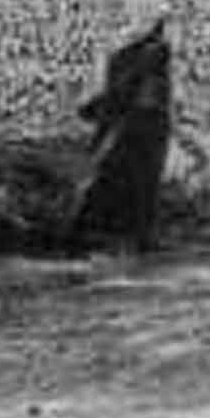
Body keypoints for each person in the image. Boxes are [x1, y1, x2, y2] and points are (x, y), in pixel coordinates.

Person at [72, 17, 174, 252]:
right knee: (134, 184)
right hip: (144, 123)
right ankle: (134, 236)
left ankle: (131, 236)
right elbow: (120, 95)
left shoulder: (140, 55)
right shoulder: (141, 55)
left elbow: (119, 95)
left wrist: (98, 111)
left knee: (129, 181)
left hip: (143, 123)